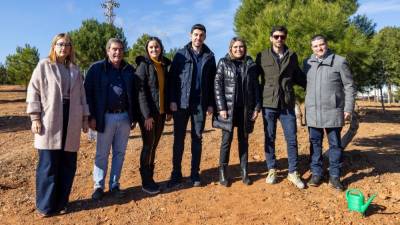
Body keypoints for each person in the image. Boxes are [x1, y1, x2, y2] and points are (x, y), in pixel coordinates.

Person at [26, 33, 89, 217]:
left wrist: (85, 119)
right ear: (54, 46)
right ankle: (45, 206)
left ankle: (62, 202)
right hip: (50, 117)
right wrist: (35, 118)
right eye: (60, 44)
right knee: (48, 164)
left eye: (67, 45)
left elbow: (82, 96)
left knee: (68, 163)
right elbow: (33, 90)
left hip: (72, 117)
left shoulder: (75, 70)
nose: (63, 47)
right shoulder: (44, 65)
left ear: (71, 48)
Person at [84, 38, 137, 200]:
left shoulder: (129, 69)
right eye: (114, 49)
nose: (117, 52)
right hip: (104, 117)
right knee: (102, 153)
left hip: (124, 117)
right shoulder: (96, 69)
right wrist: (91, 117)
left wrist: (133, 116)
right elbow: (88, 94)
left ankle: (114, 184)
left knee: (119, 153)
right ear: (108, 51)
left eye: (120, 49)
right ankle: (98, 186)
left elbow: (135, 94)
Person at [256, 26, 306, 189]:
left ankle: (293, 172)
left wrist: (313, 84)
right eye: (276, 36)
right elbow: (253, 78)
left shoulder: (292, 55)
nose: (279, 39)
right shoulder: (262, 56)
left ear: (285, 38)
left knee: (291, 138)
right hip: (269, 103)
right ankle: (272, 169)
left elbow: (298, 76)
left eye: (282, 37)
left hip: (286, 103)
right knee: (269, 137)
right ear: (271, 38)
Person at [303, 35, 355, 191]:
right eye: (315, 46)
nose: (319, 48)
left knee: (335, 145)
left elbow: (349, 86)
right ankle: (317, 173)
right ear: (311, 48)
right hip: (313, 111)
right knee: (315, 144)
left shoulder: (339, 61)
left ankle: (335, 176)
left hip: (333, 110)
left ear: (327, 45)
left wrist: (348, 108)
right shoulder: (306, 63)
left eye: (321, 45)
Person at [167, 24, 216, 188]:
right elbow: (172, 79)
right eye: (195, 34)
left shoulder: (210, 56)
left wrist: (211, 103)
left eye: (201, 35)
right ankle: (176, 173)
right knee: (178, 139)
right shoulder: (180, 55)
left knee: (197, 139)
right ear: (190, 36)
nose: (198, 38)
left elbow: (212, 82)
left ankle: (195, 173)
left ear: (205, 37)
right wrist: (172, 100)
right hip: (181, 103)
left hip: (200, 104)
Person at [213, 37, 260, 186]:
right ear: (230, 49)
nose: (238, 49)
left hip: (245, 110)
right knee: (226, 141)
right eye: (235, 47)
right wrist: (221, 108)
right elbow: (217, 86)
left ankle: (244, 172)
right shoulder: (223, 62)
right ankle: (222, 172)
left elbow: (256, 88)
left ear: (244, 48)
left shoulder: (250, 64)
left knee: (243, 141)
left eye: (241, 47)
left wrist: (257, 108)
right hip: (228, 110)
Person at [135, 37, 172, 194]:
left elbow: (166, 89)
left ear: (161, 48)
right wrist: (146, 116)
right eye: (151, 47)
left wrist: (168, 110)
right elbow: (141, 92)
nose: (154, 49)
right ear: (147, 49)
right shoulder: (143, 66)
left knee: (154, 146)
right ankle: (146, 181)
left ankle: (151, 178)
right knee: (147, 146)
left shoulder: (163, 66)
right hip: (149, 116)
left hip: (161, 114)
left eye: (156, 47)